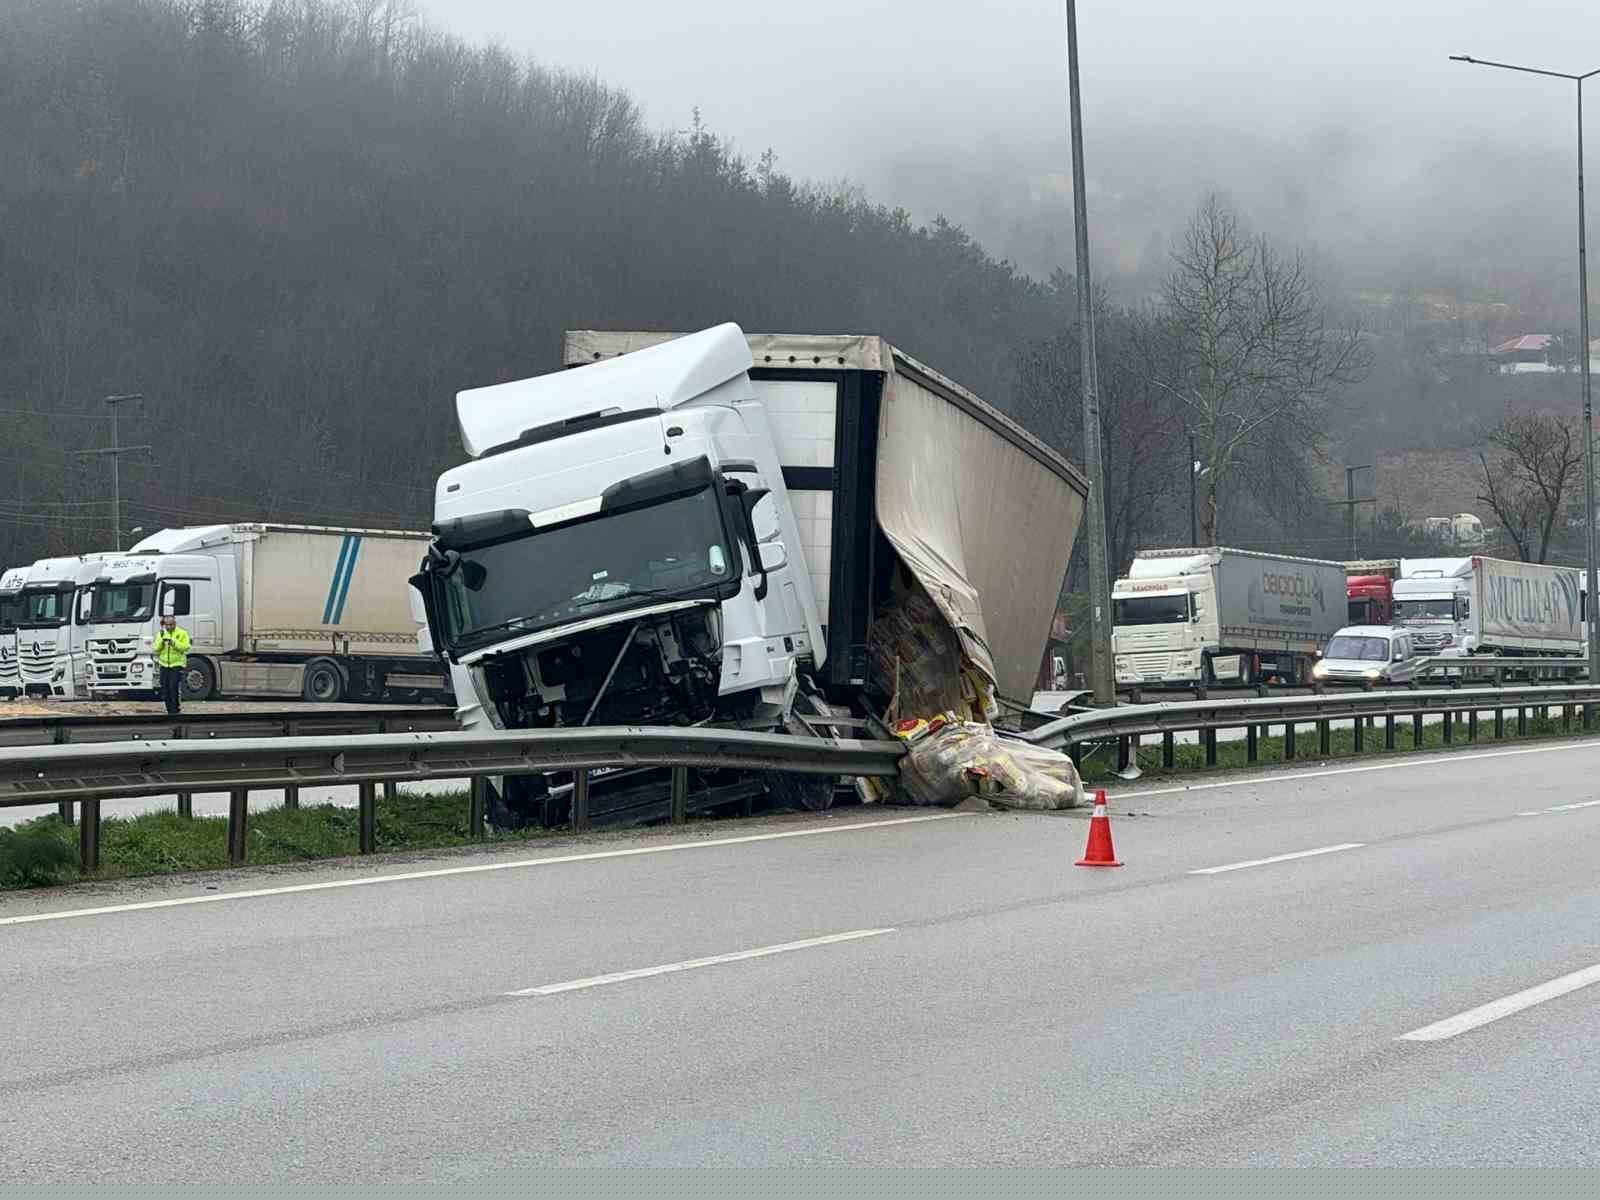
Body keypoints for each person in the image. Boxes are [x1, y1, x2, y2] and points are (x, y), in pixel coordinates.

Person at [154, 614, 191, 716]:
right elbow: (156, 649)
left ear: (175, 624)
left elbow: (186, 647)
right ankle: (169, 710)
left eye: (171, 625)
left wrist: (174, 643)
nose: (169, 627)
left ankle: (175, 710)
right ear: (164, 625)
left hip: (177, 664)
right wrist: (162, 641)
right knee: (164, 689)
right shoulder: (161, 634)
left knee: (173, 687)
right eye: (167, 625)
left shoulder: (182, 633)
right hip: (164, 665)